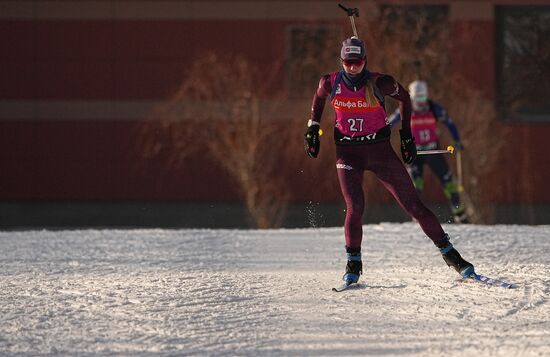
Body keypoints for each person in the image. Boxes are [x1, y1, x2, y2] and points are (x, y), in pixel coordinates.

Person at [304, 37, 474, 285]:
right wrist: (313, 127)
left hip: (380, 151)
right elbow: (318, 99)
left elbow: (405, 98)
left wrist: (406, 136)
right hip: (347, 152)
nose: (353, 67)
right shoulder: (330, 82)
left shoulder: (380, 82)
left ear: (365, 60)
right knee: (355, 206)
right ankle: (353, 264)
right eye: (348, 62)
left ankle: (451, 254)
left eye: (358, 62)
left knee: (414, 206)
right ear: (341, 62)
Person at [388, 80, 468, 223]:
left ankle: (459, 213)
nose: (420, 102)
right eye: (417, 98)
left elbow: (450, 123)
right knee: (415, 185)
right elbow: (390, 122)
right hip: (415, 154)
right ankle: (416, 215)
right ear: (411, 97)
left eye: (422, 97)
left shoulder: (434, 108)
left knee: (448, 182)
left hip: (433, 151)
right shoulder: (405, 109)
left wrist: (457, 140)